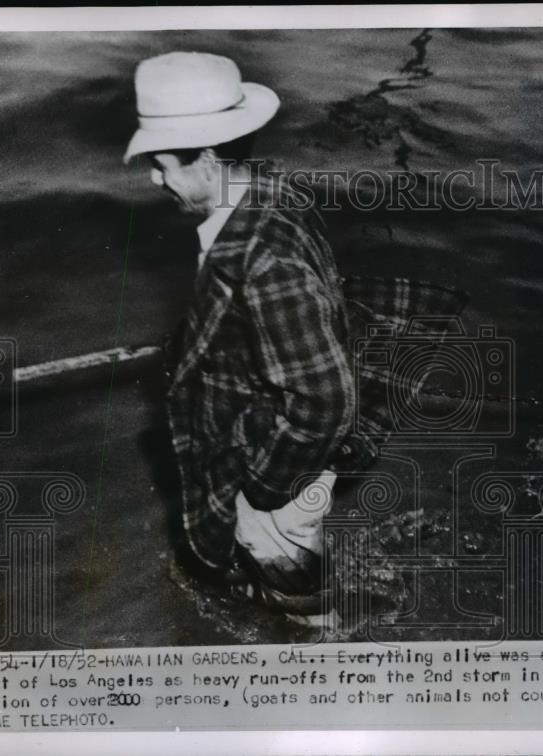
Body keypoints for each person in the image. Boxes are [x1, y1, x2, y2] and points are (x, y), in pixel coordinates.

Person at [124, 51, 466, 626]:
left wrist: (262, 488)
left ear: (207, 160)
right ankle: (315, 592)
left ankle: (319, 643)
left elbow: (324, 399)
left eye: (163, 165)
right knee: (295, 552)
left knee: (289, 580)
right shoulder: (270, 196)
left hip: (276, 470)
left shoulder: (260, 259)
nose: (156, 179)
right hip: (297, 463)